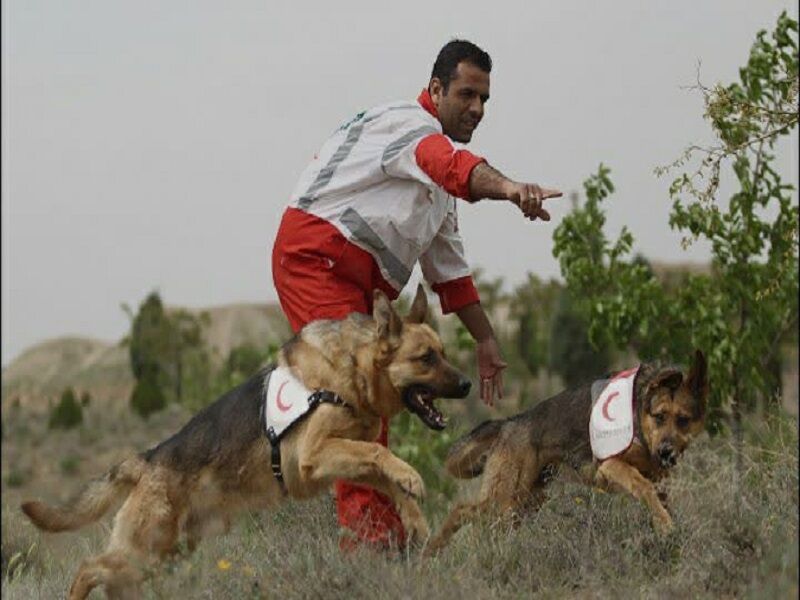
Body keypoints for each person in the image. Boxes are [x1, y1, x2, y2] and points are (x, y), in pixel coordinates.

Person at [271, 39, 561, 551]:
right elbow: (452, 165)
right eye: (467, 94)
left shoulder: (438, 187)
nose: (477, 109)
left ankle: (381, 537)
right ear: (435, 89)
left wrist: (487, 343)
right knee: (361, 401)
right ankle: (372, 547)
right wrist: (511, 188)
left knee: (375, 399)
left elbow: (449, 271)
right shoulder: (411, 129)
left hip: (358, 285)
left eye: (485, 100)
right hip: (316, 261)